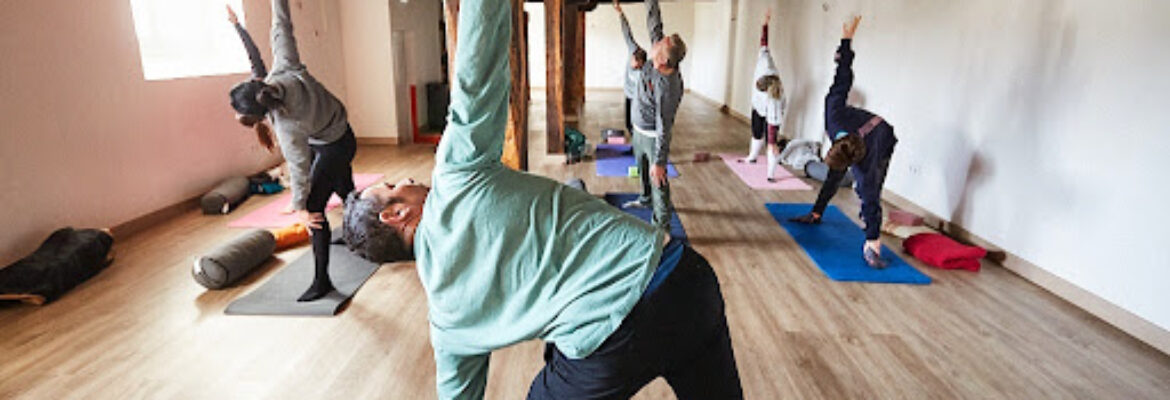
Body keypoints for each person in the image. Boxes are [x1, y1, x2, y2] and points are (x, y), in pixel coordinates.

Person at [341, 0, 741, 398]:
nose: (407, 179)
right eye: (394, 186)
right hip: (685, 281)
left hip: (613, 337)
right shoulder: (455, 177)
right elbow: (476, 75)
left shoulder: (447, 322)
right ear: (395, 215)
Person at [226, 1, 356, 301]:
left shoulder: (286, 127)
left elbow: (298, 168)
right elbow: (280, 27)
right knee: (344, 189)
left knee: (315, 210)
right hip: (337, 135)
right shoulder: (283, 67)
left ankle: (322, 282)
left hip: (334, 145)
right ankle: (354, 234)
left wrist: (300, 207)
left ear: (260, 116)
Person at [788, 16, 898, 269]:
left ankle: (872, 240)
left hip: (883, 138)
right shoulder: (834, 113)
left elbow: (868, 195)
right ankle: (816, 213)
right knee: (834, 177)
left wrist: (873, 242)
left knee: (871, 192)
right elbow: (843, 77)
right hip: (856, 135)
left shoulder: (866, 160)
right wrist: (846, 41)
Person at [615, 0, 687, 233]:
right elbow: (655, 23)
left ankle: (661, 229)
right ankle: (644, 199)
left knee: (658, 180)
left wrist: (660, 161)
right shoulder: (658, 58)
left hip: (653, 136)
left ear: (663, 61)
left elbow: (665, 126)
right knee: (642, 170)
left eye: (660, 45)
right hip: (638, 129)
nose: (656, 43)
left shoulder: (668, 87)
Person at [741, 9, 791, 182]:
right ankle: (752, 157)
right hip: (757, 106)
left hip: (770, 112)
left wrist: (772, 142)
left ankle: (771, 174)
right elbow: (764, 42)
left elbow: (771, 130)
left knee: (771, 142)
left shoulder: (775, 99)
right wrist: (765, 23)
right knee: (755, 131)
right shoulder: (764, 61)